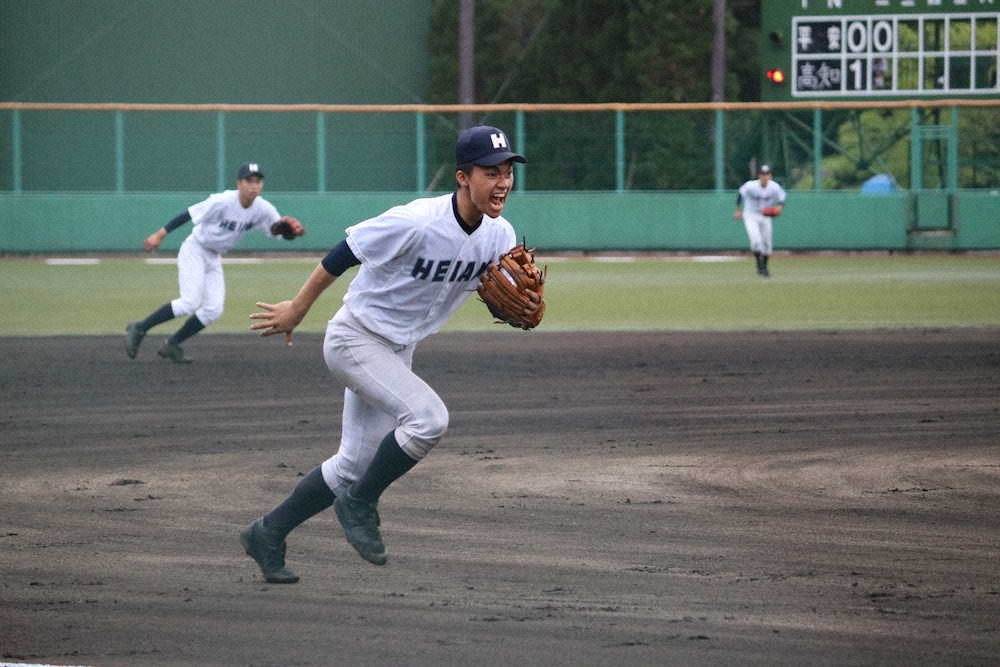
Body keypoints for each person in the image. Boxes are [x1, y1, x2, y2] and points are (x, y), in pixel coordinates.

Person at [238, 125, 541, 583]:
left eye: (507, 172)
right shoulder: (416, 221)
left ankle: (267, 532)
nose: (502, 182)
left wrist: (525, 299)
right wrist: (297, 309)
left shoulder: (499, 235)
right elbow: (346, 252)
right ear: (463, 177)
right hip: (356, 339)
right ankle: (360, 504)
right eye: (490, 172)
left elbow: (505, 282)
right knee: (428, 420)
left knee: (352, 465)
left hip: (398, 348)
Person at [124, 162, 305, 363]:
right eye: (249, 181)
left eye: (258, 181)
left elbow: (276, 230)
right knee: (189, 303)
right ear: (239, 183)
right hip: (195, 249)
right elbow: (189, 214)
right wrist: (159, 234)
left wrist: (291, 234)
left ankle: (172, 344)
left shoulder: (264, 208)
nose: (254, 185)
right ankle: (139, 328)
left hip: (214, 256)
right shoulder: (223, 201)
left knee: (213, 310)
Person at [734, 164, 786, 278]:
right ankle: (760, 266)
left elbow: (782, 197)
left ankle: (765, 267)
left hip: (765, 215)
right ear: (759, 175)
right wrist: (738, 210)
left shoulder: (774, 187)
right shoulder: (751, 186)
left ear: (771, 176)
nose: (765, 176)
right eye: (762, 174)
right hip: (751, 214)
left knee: (767, 244)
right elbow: (740, 194)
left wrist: (780, 207)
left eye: (767, 174)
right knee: (756, 242)